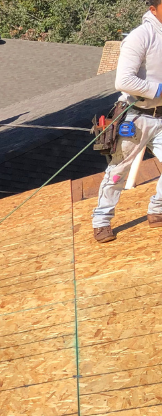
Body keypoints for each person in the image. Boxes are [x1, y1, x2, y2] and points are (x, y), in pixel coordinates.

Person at [93, 0, 162, 242]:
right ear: (153, 9)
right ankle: (101, 221)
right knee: (118, 172)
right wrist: (160, 90)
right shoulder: (140, 36)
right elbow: (123, 81)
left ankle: (157, 209)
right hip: (136, 115)